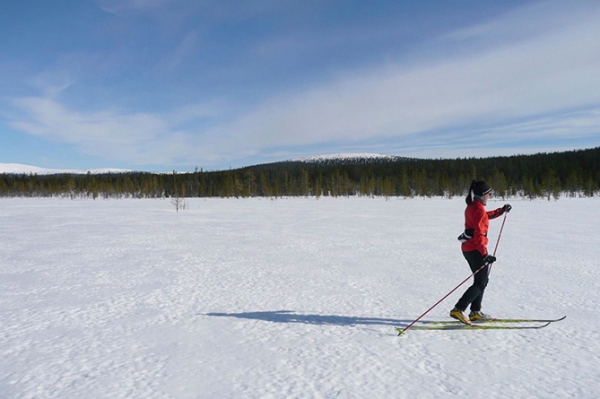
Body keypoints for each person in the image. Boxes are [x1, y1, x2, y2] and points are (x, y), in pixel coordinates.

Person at [450, 180, 511, 324]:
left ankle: (475, 312)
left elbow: (484, 216)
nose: (490, 195)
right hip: (475, 250)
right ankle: (458, 309)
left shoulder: (474, 206)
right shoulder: (477, 209)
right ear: (483, 195)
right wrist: (485, 255)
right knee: (481, 282)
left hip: (469, 249)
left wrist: (501, 211)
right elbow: (479, 235)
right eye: (489, 193)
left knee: (481, 281)